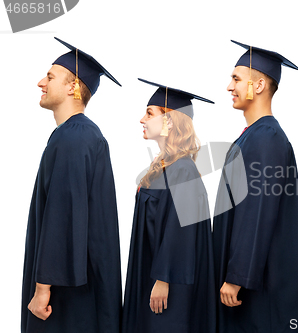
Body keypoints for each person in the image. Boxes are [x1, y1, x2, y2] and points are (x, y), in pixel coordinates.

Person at [21, 37, 122, 333]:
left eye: (50, 77)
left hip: (67, 293)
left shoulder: (74, 139)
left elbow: (62, 216)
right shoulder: (80, 135)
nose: (41, 82)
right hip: (82, 281)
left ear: (72, 86)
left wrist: (42, 288)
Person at [212, 40, 298, 332]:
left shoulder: (266, 138)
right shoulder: (253, 136)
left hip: (261, 286)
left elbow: (257, 212)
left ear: (259, 85)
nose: (230, 87)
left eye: (236, 79)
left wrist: (238, 275)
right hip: (251, 278)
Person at [122, 79, 216, 333]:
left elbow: (180, 231)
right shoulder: (163, 167)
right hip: (151, 274)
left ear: (169, 121)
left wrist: (163, 279)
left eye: (149, 113)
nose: (142, 119)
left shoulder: (183, 169)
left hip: (169, 285)